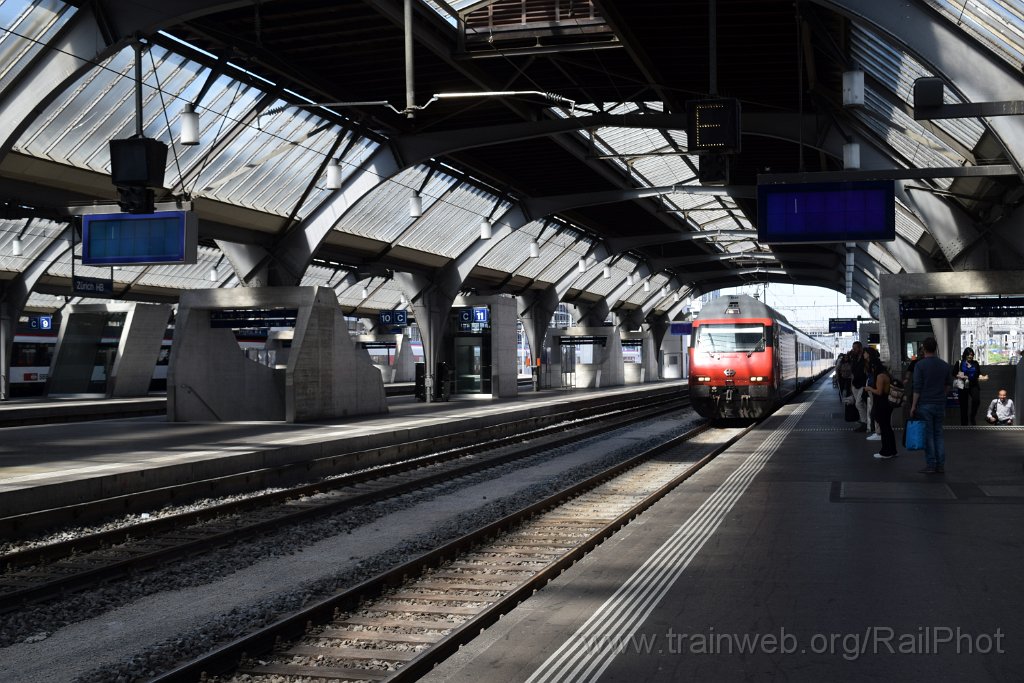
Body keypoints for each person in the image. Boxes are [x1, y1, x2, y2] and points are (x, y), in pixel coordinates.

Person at [910, 337, 951, 474]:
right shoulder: (944, 365)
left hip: (925, 404)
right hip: (940, 404)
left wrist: (913, 406)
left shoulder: (920, 365)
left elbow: (917, 388)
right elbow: (947, 386)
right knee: (938, 434)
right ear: (935, 348)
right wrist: (941, 396)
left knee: (929, 435)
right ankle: (940, 465)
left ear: (924, 348)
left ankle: (931, 465)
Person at [865, 356, 898, 459]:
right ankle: (892, 450)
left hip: (882, 404)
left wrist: (869, 388)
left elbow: (879, 392)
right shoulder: (886, 374)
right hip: (886, 404)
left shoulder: (880, 376)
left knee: (885, 428)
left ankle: (886, 452)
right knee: (887, 428)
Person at [954, 347, 986, 425]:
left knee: (976, 400)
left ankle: (972, 416)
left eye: (971, 355)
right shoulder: (959, 362)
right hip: (963, 386)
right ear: (965, 355)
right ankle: (964, 424)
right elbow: (954, 373)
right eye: (968, 355)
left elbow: (978, 373)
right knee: (963, 406)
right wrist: (962, 376)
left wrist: (983, 377)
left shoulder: (975, 363)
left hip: (973, 385)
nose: (970, 356)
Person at [849, 341, 868, 432]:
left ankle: (865, 423)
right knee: (861, 404)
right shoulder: (854, 358)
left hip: (862, 384)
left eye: (855, 348)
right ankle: (864, 421)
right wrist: (851, 383)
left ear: (860, 348)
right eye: (853, 348)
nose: (853, 350)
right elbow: (852, 371)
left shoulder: (865, 358)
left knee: (858, 403)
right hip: (855, 384)